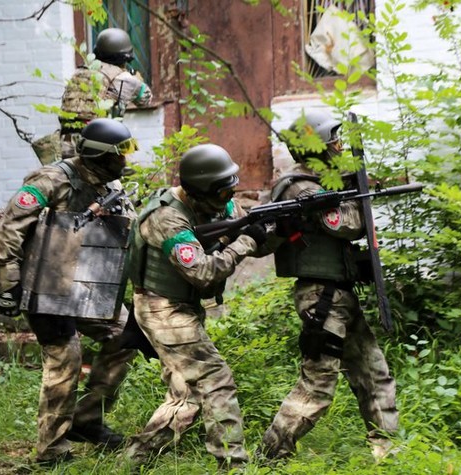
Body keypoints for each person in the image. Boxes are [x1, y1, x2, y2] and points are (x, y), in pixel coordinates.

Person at [0, 118, 139, 465]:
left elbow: (129, 230)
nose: (126, 159)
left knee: (126, 335)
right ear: (101, 155)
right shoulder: (51, 180)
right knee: (66, 357)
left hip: (86, 284)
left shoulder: (110, 184)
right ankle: (51, 450)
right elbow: (10, 228)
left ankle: (86, 420)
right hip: (43, 285)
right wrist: (9, 284)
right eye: (121, 152)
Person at [258, 110, 399, 462]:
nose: (340, 147)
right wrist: (356, 194)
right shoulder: (302, 188)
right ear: (317, 147)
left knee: (373, 372)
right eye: (334, 142)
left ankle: (388, 451)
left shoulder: (324, 183)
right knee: (318, 384)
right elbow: (347, 224)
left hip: (339, 293)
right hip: (321, 298)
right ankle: (270, 454)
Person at [122, 144, 268, 470]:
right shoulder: (166, 218)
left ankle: (134, 459)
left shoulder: (218, 204)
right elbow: (202, 273)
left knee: (187, 395)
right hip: (161, 308)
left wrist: (275, 229)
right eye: (222, 193)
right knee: (216, 378)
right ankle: (233, 465)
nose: (229, 198)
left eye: (231, 189)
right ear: (199, 191)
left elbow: (251, 234)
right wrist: (245, 241)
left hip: (183, 305)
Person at [58, 27, 152, 161]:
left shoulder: (80, 72)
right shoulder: (125, 78)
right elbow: (145, 100)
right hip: (101, 146)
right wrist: (137, 80)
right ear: (126, 57)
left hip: (66, 145)